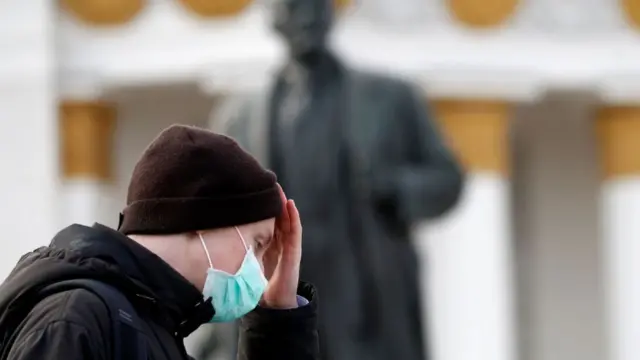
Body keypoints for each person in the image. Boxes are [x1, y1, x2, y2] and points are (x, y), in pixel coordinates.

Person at [213, 0, 464, 359]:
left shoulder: (389, 98)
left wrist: (398, 188)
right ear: (271, 18)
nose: (307, 17)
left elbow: (447, 178)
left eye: (316, 5)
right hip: (279, 297)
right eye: (293, 7)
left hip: (366, 296)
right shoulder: (240, 116)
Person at [0, 124, 318, 360]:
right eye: (258, 243)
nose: (259, 269)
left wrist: (278, 318)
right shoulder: (75, 320)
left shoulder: (154, 326)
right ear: (202, 222)